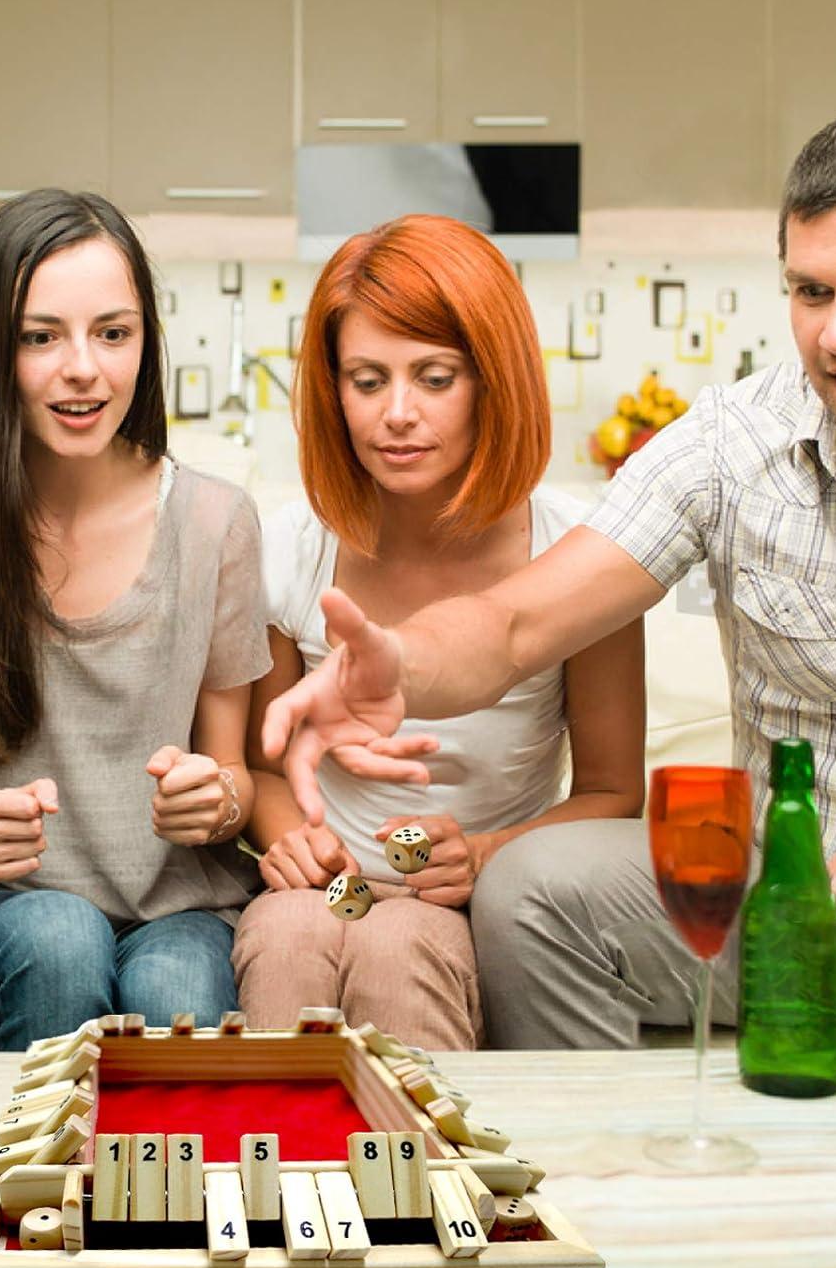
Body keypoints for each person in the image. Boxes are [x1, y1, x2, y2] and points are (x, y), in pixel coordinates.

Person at [263, 94, 836, 1058]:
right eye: (811, 292)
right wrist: (398, 662)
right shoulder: (724, 446)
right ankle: (594, 1184)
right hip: (767, 900)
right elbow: (514, 627)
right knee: (535, 886)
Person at [0, 189, 270, 1050]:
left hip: (181, 908)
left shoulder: (215, 523)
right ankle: (34, 1189)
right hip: (6, 910)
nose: (83, 368)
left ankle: (159, 1194)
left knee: (175, 987)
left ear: (144, 344)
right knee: (59, 943)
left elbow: (236, 779)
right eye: (40, 336)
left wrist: (216, 802)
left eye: (113, 333)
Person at [234, 215, 644, 1049]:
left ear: (492, 384)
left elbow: (613, 792)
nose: (398, 415)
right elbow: (263, 765)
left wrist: (489, 854)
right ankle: (278, 1179)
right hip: (336, 888)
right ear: (331, 390)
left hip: (451, 900)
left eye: (434, 377)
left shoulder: (580, 555)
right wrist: (292, 845)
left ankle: (430, 1182)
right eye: (367, 380)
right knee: (287, 935)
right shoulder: (291, 547)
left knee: (400, 940)